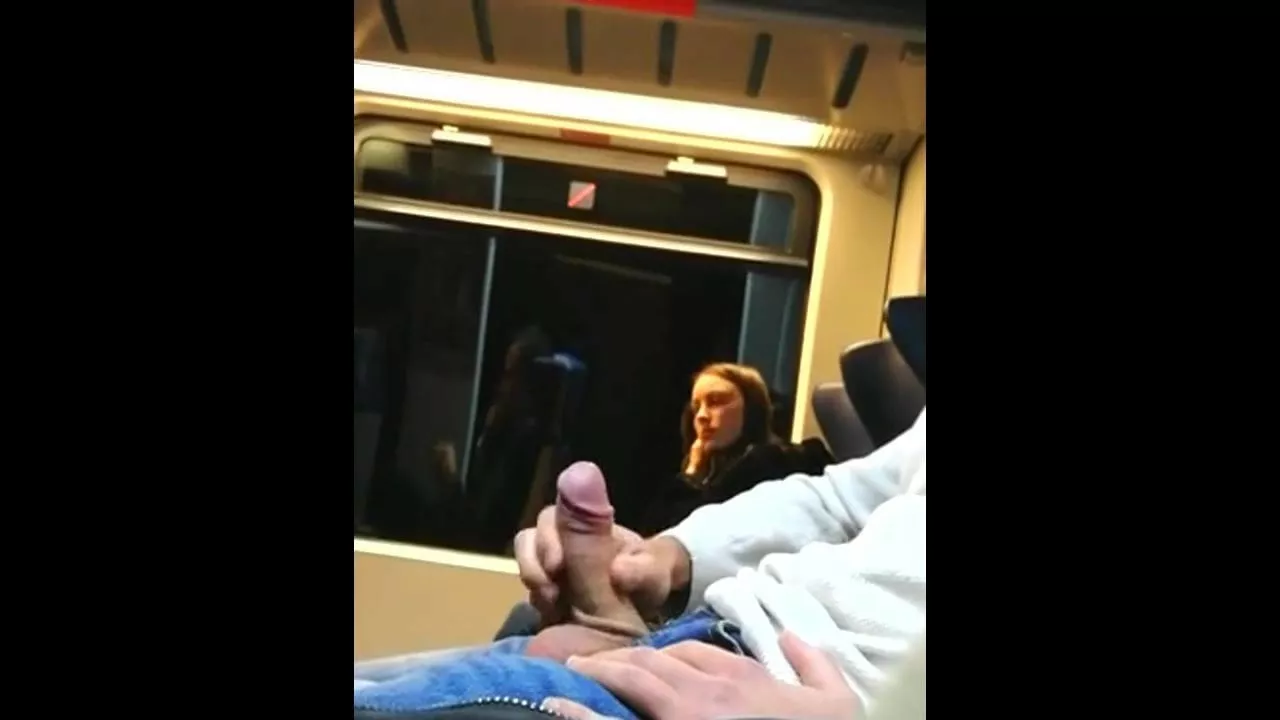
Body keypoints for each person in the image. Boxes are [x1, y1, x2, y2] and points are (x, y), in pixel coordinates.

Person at [353, 409, 925, 719]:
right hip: (725, 632)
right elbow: (841, 500)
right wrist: (666, 560)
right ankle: (623, 632)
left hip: (800, 688)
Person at [635, 362, 833, 537]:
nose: (701, 416)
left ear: (751, 407)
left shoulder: (776, 462)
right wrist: (693, 471)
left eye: (716, 401)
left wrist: (691, 476)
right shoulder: (710, 474)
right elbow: (654, 537)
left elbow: (695, 535)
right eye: (696, 407)